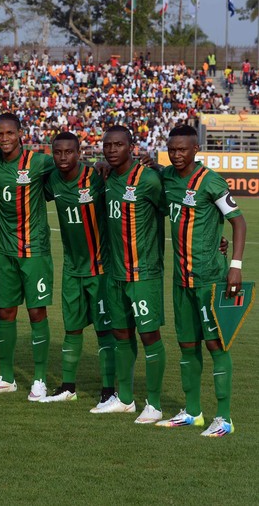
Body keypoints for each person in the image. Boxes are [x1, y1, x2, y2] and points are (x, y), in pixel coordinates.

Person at [155, 125, 245, 437]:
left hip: (210, 278)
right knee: (187, 345)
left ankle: (225, 418)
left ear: (196, 149)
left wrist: (235, 265)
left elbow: (238, 222)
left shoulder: (210, 181)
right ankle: (193, 412)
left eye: (182, 149)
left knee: (215, 344)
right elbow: (150, 173)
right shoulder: (167, 177)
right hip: (181, 279)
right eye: (172, 149)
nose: (176, 155)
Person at [91, 125, 166, 424]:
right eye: (107, 145)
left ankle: (155, 404)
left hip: (143, 273)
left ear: (131, 147)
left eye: (118, 145)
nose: (111, 150)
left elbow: (175, 209)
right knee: (121, 334)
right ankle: (124, 400)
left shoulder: (148, 179)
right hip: (115, 273)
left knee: (149, 335)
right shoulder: (107, 177)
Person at [0, 113, 55, 401]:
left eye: (9, 133)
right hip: (4, 251)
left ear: (20, 133)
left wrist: (99, 165)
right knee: (5, 313)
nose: (4, 138)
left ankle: (40, 379)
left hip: (34, 251)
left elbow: (70, 165)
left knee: (37, 312)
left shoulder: (39, 162)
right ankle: (6, 377)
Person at [41, 132, 116, 408]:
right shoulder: (52, 180)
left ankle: (109, 390)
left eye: (68, 152)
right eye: (57, 152)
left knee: (104, 331)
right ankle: (68, 387)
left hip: (100, 268)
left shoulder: (97, 177)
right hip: (72, 269)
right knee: (71, 329)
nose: (63, 157)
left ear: (79, 152)